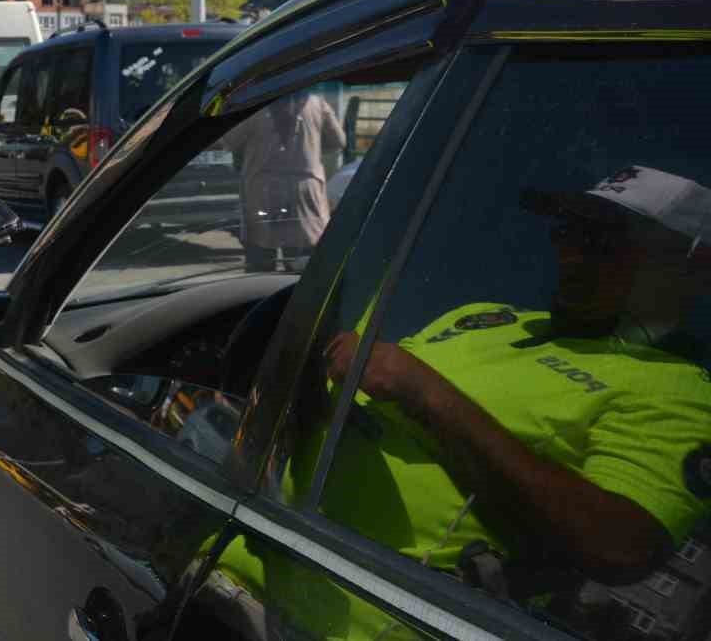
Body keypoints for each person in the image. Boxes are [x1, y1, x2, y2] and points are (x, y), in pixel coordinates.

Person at [217, 165, 711, 640]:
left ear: (687, 267)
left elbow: (619, 545)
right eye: (567, 231)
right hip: (241, 554)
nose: (572, 255)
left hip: (353, 620)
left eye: (603, 241)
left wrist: (426, 394)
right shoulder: (488, 315)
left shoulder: (679, 390)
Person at [223, 90, 346, 271]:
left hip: (264, 192)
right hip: (306, 190)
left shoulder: (255, 107)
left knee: (260, 262)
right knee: (302, 268)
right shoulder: (317, 104)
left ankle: (261, 297)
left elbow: (230, 141)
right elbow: (338, 141)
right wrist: (311, 148)